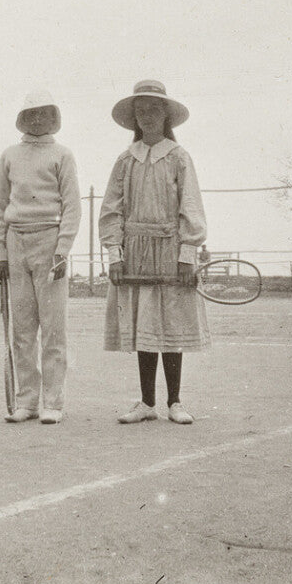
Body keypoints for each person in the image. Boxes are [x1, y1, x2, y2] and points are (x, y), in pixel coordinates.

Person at [99, 80, 209, 425]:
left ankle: (174, 401)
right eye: (141, 110)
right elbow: (111, 210)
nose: (147, 116)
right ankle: (147, 402)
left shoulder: (179, 158)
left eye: (154, 109)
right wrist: (115, 255)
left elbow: (190, 205)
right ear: (134, 118)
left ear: (166, 116)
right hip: (135, 251)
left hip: (171, 250)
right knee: (144, 322)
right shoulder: (124, 160)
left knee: (171, 322)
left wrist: (188, 255)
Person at [0, 89, 81, 425]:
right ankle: (26, 400)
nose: (37, 119)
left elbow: (72, 205)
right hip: (16, 244)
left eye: (43, 113)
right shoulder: (10, 156)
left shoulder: (62, 155)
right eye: (31, 114)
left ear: (52, 117)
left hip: (49, 241)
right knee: (23, 328)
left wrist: (62, 250)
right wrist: (0, 251)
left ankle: (53, 401)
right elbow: (1, 206)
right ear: (23, 118)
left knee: (54, 327)